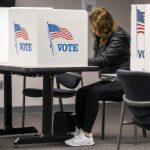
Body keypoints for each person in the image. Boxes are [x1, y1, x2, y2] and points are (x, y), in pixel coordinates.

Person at [65, 7, 130, 147]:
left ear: (104, 26)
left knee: (93, 93)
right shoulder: (101, 38)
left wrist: (78, 58)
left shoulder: (118, 37)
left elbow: (102, 60)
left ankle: (87, 135)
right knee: (81, 92)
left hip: (124, 82)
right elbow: (97, 60)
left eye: (95, 28)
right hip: (109, 79)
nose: (93, 31)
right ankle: (80, 131)